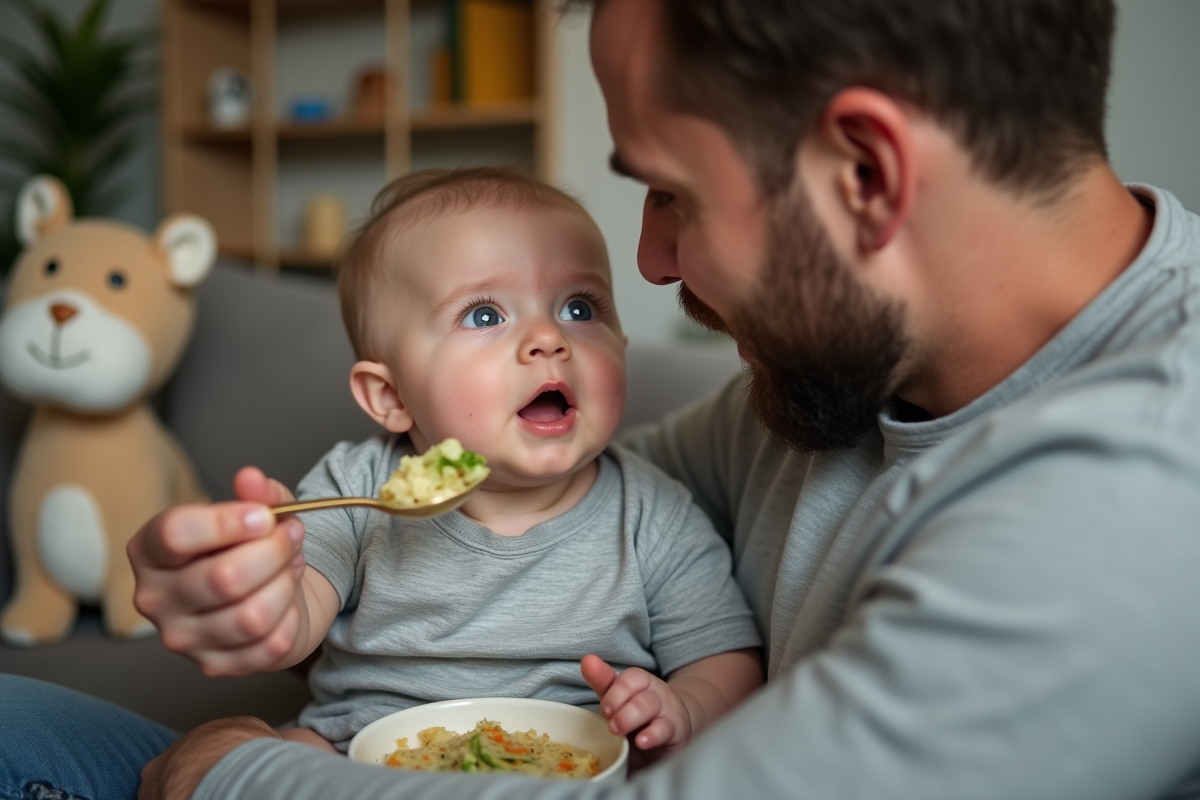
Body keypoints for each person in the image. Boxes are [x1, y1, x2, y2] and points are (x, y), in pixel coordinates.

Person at [4, 0, 1200, 797]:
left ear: (868, 175)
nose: (655, 265)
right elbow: (552, 489)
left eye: (668, 192)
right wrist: (245, 583)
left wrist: (222, 773)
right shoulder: (821, 388)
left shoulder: (1149, 486)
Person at [207, 166, 760, 755]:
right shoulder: (358, 489)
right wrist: (270, 593)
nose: (549, 338)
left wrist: (683, 707)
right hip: (365, 762)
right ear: (391, 397)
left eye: (579, 307)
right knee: (284, 750)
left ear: (621, 348)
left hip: (570, 771)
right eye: (485, 315)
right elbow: (300, 620)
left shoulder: (653, 513)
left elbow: (726, 658)